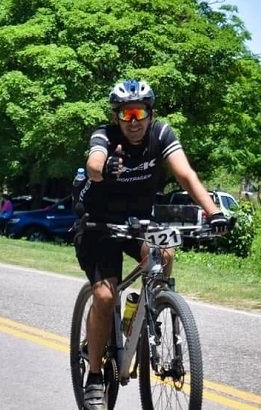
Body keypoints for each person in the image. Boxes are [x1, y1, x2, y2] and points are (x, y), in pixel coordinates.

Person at [73, 79, 229, 410]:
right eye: (126, 114)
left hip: (139, 222)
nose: (133, 121)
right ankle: (96, 375)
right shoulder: (105, 136)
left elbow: (186, 175)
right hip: (98, 224)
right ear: (116, 116)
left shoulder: (162, 135)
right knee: (105, 296)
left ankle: (149, 310)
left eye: (139, 113)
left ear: (150, 114)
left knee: (165, 252)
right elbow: (93, 165)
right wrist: (104, 169)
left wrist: (213, 212)